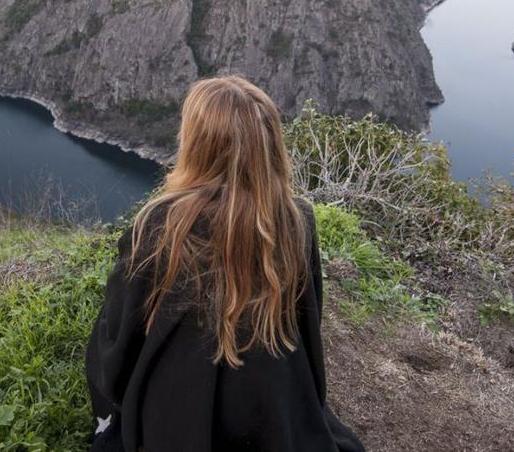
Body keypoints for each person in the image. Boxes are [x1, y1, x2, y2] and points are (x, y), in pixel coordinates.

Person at [85, 76, 364, 452]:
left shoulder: (161, 226)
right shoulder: (296, 220)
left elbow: (119, 341)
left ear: (200, 146)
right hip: (271, 409)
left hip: (177, 418)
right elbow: (307, 325)